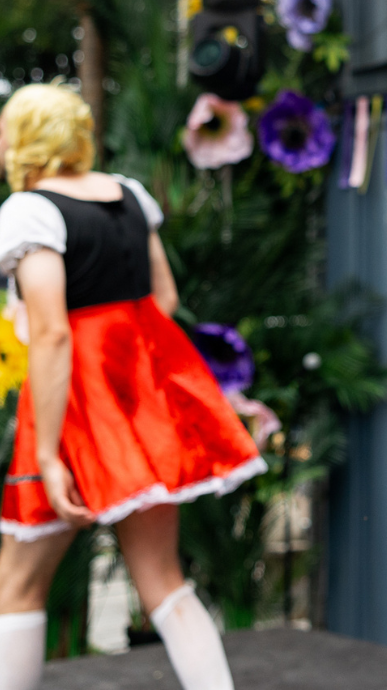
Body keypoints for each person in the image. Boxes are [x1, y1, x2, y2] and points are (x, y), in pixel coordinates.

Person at [0, 83, 264, 690]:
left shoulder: (30, 211)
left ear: (27, 138)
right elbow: (163, 299)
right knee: (164, 582)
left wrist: (48, 455)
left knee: (17, 583)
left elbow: (52, 333)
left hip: (71, 406)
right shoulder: (128, 193)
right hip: (137, 401)